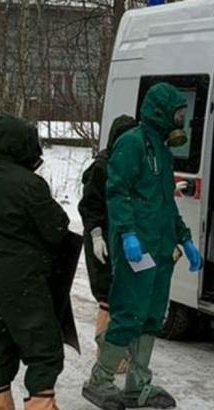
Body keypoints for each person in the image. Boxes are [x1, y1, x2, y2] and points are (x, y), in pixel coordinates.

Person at [0, 114, 91, 410]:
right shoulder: (28, 184)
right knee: (45, 349)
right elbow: (55, 228)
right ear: (23, 146)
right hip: (21, 279)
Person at [82, 83, 203, 410]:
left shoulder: (162, 150)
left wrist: (185, 238)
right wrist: (126, 234)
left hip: (162, 249)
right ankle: (100, 379)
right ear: (161, 112)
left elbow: (166, 203)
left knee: (152, 316)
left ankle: (137, 384)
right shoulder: (131, 144)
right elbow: (116, 192)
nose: (181, 119)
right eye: (178, 113)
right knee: (128, 313)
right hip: (136, 247)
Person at [78, 115, 138, 373]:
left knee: (124, 297)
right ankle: (107, 354)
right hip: (102, 240)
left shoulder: (127, 162)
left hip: (123, 237)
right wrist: (96, 235)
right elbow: (90, 206)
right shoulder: (101, 168)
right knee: (108, 297)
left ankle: (120, 352)